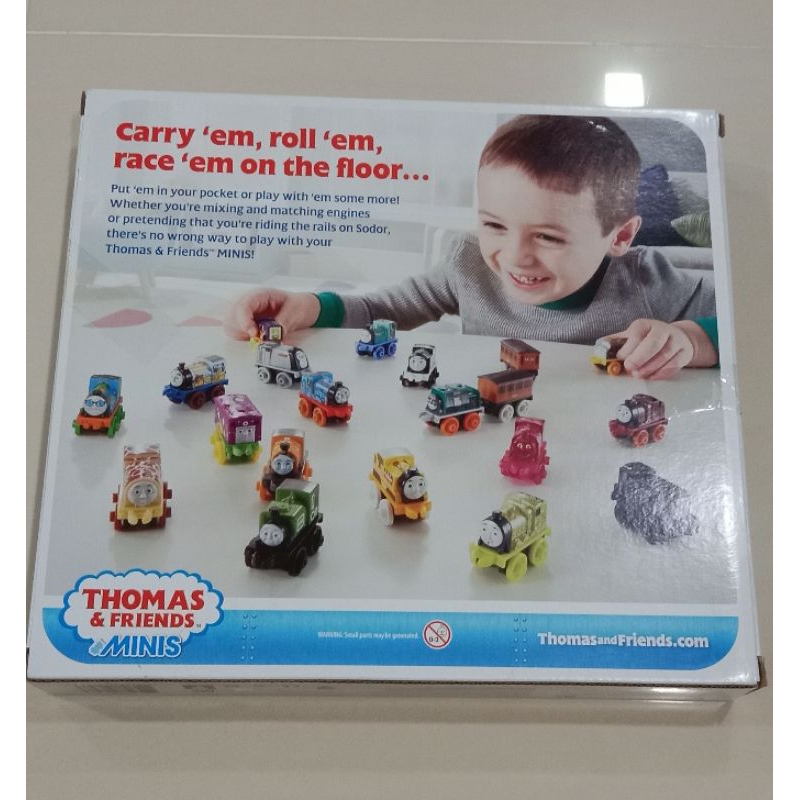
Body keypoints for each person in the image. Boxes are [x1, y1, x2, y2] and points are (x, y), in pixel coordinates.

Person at [225, 115, 718, 380]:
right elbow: (381, 311)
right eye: (494, 225)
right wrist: (309, 306)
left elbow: (745, 327)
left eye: (547, 236)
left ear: (621, 236)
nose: (515, 256)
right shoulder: (469, 265)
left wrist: (691, 339)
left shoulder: (648, 279)